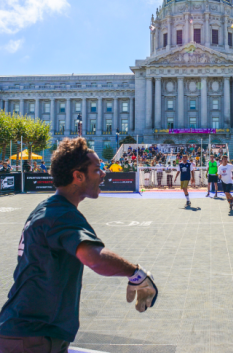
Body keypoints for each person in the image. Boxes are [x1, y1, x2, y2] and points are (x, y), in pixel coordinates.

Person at [0, 138, 158, 352]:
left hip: (30, 331)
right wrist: (137, 274)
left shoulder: (49, 208)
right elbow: (94, 258)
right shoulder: (61, 214)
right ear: (78, 176)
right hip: (32, 336)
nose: (103, 173)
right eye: (97, 169)